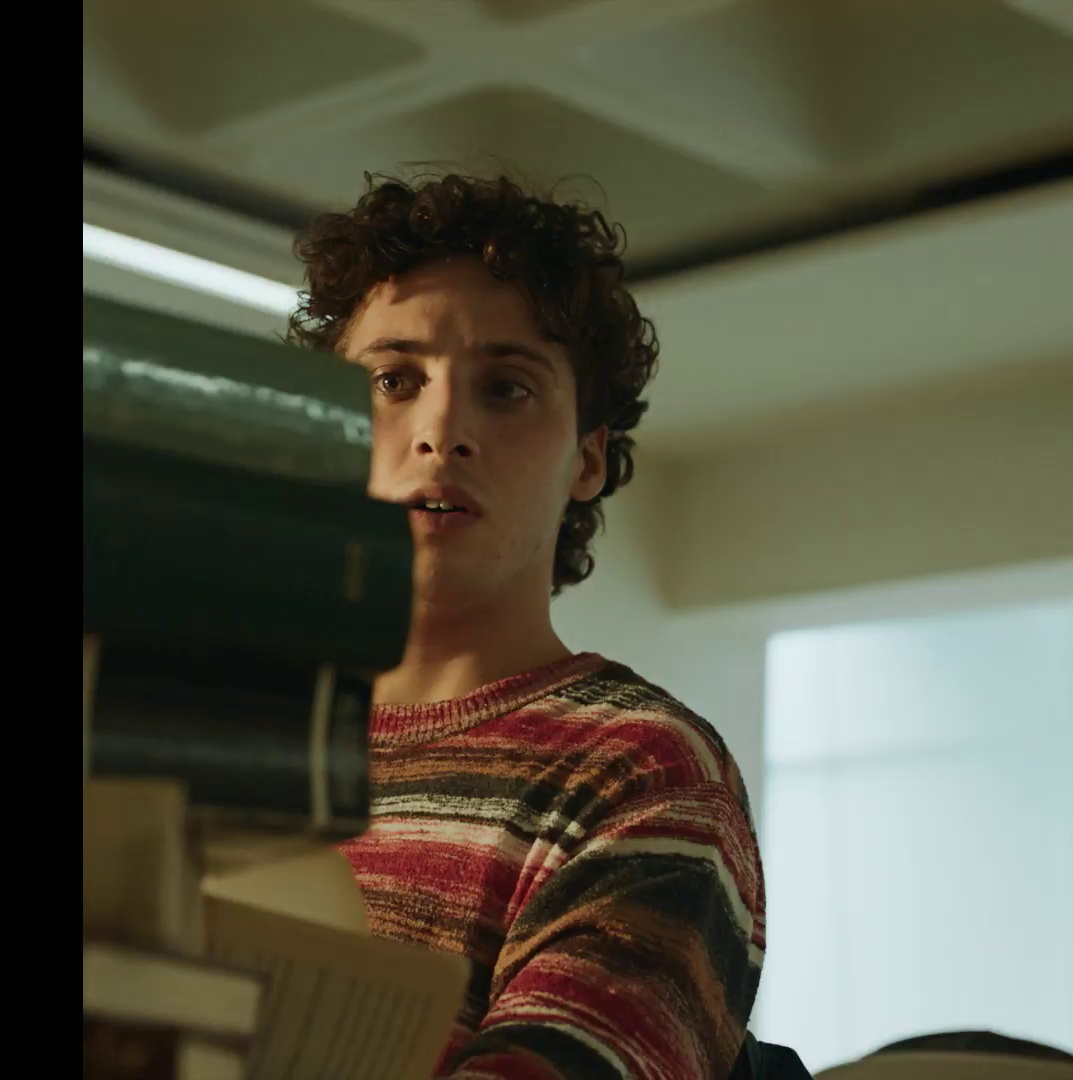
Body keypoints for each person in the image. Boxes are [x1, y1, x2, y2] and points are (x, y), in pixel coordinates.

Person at [289, 172, 765, 1079]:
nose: (441, 430)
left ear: (586, 460)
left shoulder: (643, 770)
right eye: (393, 380)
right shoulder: (210, 732)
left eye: (506, 388)